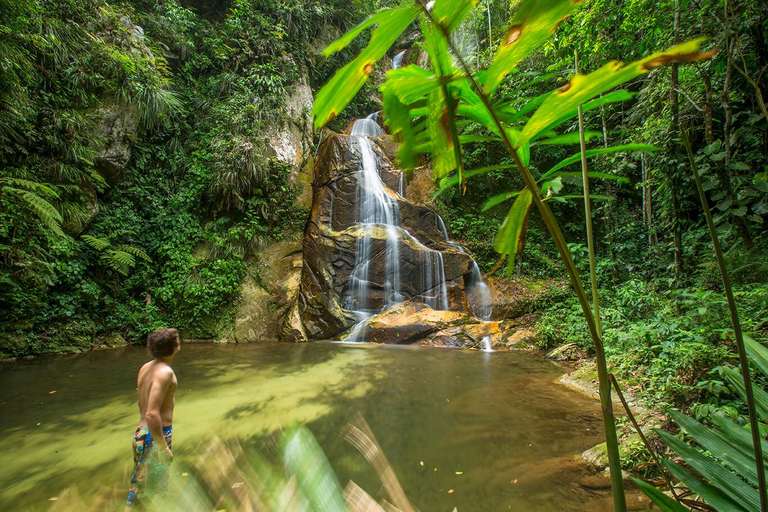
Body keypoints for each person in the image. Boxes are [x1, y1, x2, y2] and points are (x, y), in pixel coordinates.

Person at [126, 328, 180, 508]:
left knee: (139, 490)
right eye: (177, 339)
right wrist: (163, 448)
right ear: (172, 346)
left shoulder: (145, 368)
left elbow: (141, 404)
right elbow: (151, 412)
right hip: (154, 435)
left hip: (141, 433)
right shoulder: (165, 372)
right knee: (152, 494)